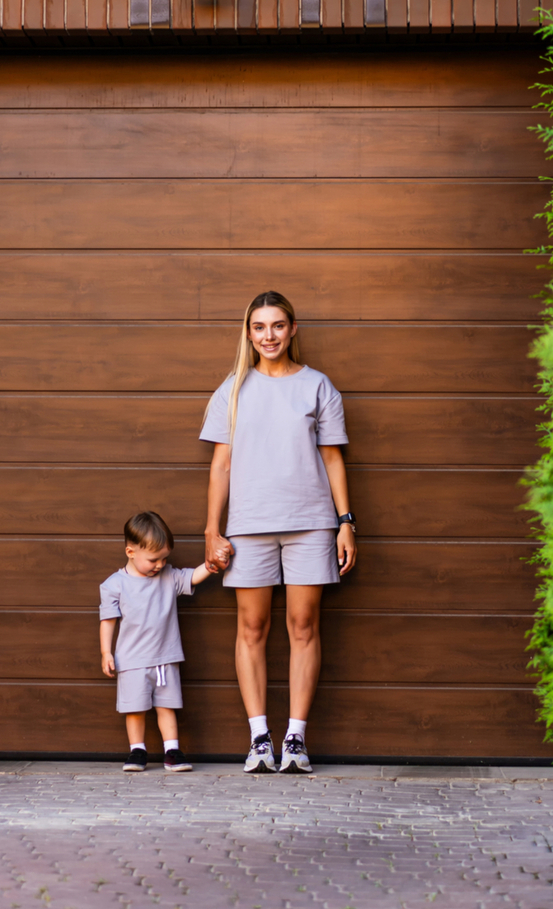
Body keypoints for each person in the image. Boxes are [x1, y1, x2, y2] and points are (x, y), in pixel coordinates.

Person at [200, 292, 357, 774]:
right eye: (259, 326)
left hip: (311, 523)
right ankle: (259, 739)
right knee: (252, 629)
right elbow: (221, 465)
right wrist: (212, 529)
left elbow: (332, 457)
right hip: (249, 526)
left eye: (277, 325)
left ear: (292, 329)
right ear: (248, 333)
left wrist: (345, 522)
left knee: (303, 626)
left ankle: (295, 739)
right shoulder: (232, 389)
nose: (268, 335)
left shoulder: (317, 385)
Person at [99, 510, 217, 773]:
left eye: (165, 558)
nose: (160, 565)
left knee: (167, 706)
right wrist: (106, 652)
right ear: (130, 552)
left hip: (166, 658)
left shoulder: (169, 576)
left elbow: (191, 576)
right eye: (154, 560)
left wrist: (209, 566)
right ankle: (137, 751)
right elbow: (108, 620)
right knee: (135, 709)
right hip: (132, 661)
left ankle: (172, 751)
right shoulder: (114, 585)